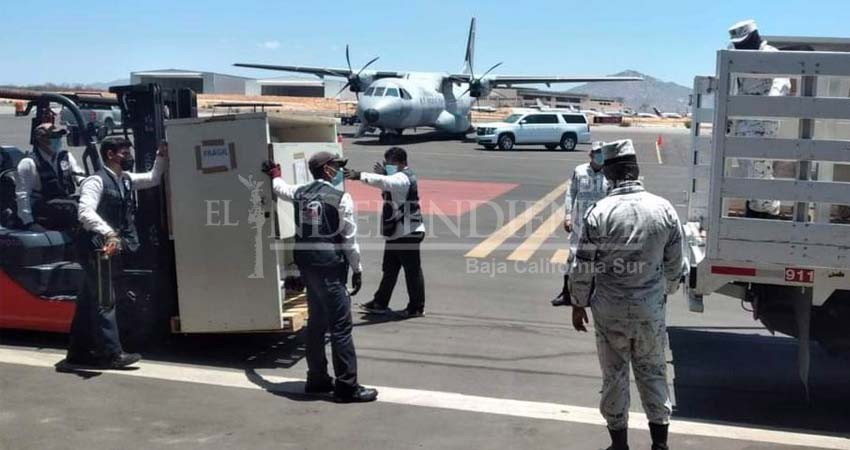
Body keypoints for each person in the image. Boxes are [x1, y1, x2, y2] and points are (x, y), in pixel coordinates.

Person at [568, 139, 684, 450]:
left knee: (615, 376)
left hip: (610, 310)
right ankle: (660, 444)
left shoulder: (598, 212)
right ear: (636, 171)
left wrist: (578, 303)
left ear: (609, 174)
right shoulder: (664, 209)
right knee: (653, 372)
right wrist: (663, 293)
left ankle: (619, 445)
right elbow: (676, 266)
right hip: (650, 308)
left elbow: (583, 266)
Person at [262, 151, 377, 403]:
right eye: (336, 166)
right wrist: (357, 270)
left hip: (307, 264)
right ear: (326, 169)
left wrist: (274, 176)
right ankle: (347, 386)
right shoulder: (340, 197)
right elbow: (349, 239)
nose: (338, 171)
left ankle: (317, 379)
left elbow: (281, 189)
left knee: (316, 324)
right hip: (330, 266)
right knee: (340, 328)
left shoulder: (301, 192)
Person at [65, 137, 168, 369]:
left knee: (87, 301)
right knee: (105, 300)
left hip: (107, 247)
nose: (128, 156)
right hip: (96, 247)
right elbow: (85, 213)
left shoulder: (125, 180)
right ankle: (112, 354)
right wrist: (109, 233)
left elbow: (152, 178)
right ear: (110, 155)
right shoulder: (95, 181)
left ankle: (77, 353)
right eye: (124, 152)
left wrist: (161, 155)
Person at [345, 147, 426, 318]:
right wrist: (386, 175)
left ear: (402, 163)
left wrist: (358, 175)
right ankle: (380, 302)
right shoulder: (396, 177)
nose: (388, 165)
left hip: (407, 233)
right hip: (398, 232)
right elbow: (388, 188)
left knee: (412, 271)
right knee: (389, 269)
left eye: (391, 163)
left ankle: (416, 307)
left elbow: (385, 182)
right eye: (387, 163)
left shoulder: (403, 178)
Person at [728, 19, 791, 219]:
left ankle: (765, 214)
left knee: (760, 170)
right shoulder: (735, 54)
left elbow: (782, 83)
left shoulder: (770, 55)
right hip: (742, 121)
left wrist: (767, 106)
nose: (741, 47)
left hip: (762, 122)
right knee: (749, 170)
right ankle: (755, 209)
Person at [551, 143, 609, 306]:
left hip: (601, 227)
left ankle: (593, 295)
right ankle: (567, 293)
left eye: (603, 153)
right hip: (580, 225)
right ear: (590, 154)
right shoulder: (580, 171)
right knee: (572, 258)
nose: (600, 156)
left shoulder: (610, 175)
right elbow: (571, 193)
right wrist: (568, 216)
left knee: (599, 261)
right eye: (598, 153)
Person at [15, 123, 84, 231]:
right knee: (73, 208)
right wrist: (29, 223)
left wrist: (90, 184)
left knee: (88, 203)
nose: (58, 140)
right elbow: (22, 196)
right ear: (41, 139)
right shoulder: (28, 163)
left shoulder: (65, 156)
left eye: (59, 137)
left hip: (64, 202)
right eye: (54, 137)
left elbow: (79, 176)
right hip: (43, 207)